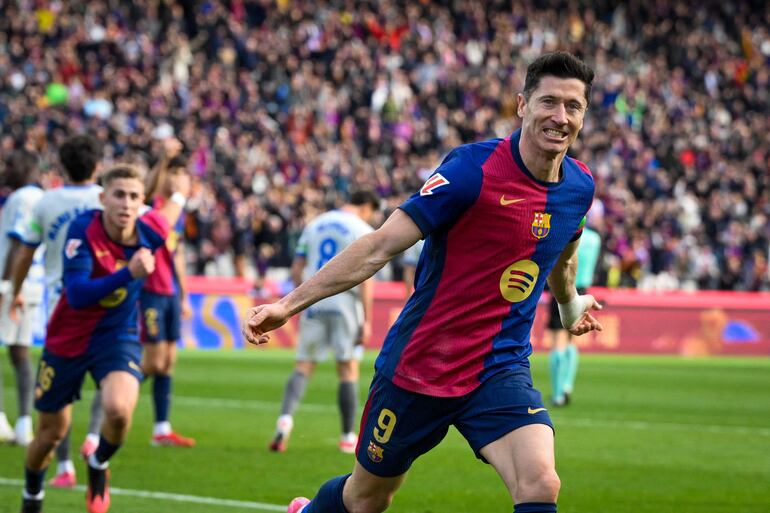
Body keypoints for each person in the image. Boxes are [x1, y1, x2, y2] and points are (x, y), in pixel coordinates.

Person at [244, 52, 603, 513]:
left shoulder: (579, 186)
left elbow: (561, 247)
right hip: (420, 367)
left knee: (540, 484)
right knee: (366, 499)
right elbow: (379, 246)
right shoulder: (471, 171)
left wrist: (568, 303)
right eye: (548, 102)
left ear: (584, 114)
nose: (560, 117)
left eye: (572, 106)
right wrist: (288, 305)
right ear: (521, 105)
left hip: (499, 367)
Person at [19, 164, 189, 513]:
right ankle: (32, 493)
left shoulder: (150, 229)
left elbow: (171, 211)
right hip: (68, 339)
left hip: (117, 336)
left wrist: (180, 189)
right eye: (118, 195)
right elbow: (78, 294)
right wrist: (129, 272)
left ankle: (98, 463)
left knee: (119, 411)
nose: (126, 204)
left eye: (134, 196)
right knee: (50, 433)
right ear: (102, 198)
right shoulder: (83, 229)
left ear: (142, 202)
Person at [8, 135, 106, 487]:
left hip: (61, 308)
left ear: (62, 166)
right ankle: (96, 440)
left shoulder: (45, 203)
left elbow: (25, 250)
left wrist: (14, 291)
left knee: (60, 395)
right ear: (98, 166)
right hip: (108, 307)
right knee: (112, 384)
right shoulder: (107, 199)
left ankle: (64, 467)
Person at [270, 190, 380, 454]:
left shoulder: (315, 224)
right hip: (345, 303)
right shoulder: (362, 228)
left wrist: (300, 300)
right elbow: (366, 278)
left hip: (314, 302)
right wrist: (366, 319)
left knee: (303, 366)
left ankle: (284, 421)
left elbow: (297, 268)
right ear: (366, 207)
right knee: (347, 369)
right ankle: (346, 437)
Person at [139, 141, 196, 447]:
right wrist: (165, 158)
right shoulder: (153, 207)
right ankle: (118, 389)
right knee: (153, 361)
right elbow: (150, 186)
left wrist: (185, 295)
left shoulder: (178, 213)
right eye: (175, 173)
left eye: (183, 173)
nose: (179, 179)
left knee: (168, 362)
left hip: (170, 292)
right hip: (149, 291)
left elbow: (178, 253)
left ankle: (161, 428)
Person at [0, 150, 44, 446]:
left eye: (10, 164)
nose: (5, 169)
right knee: (20, 352)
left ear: (25, 168)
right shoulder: (41, 198)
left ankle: (1, 420)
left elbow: (18, 243)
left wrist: (7, 286)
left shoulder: (21, 199)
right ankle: (25, 424)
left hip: (14, 285)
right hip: (32, 285)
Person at [547, 220, 601, 406]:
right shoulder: (595, 239)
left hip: (563, 290)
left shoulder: (564, 233)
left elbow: (561, 262)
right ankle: (568, 384)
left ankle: (557, 394)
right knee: (572, 340)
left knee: (558, 342)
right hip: (584, 288)